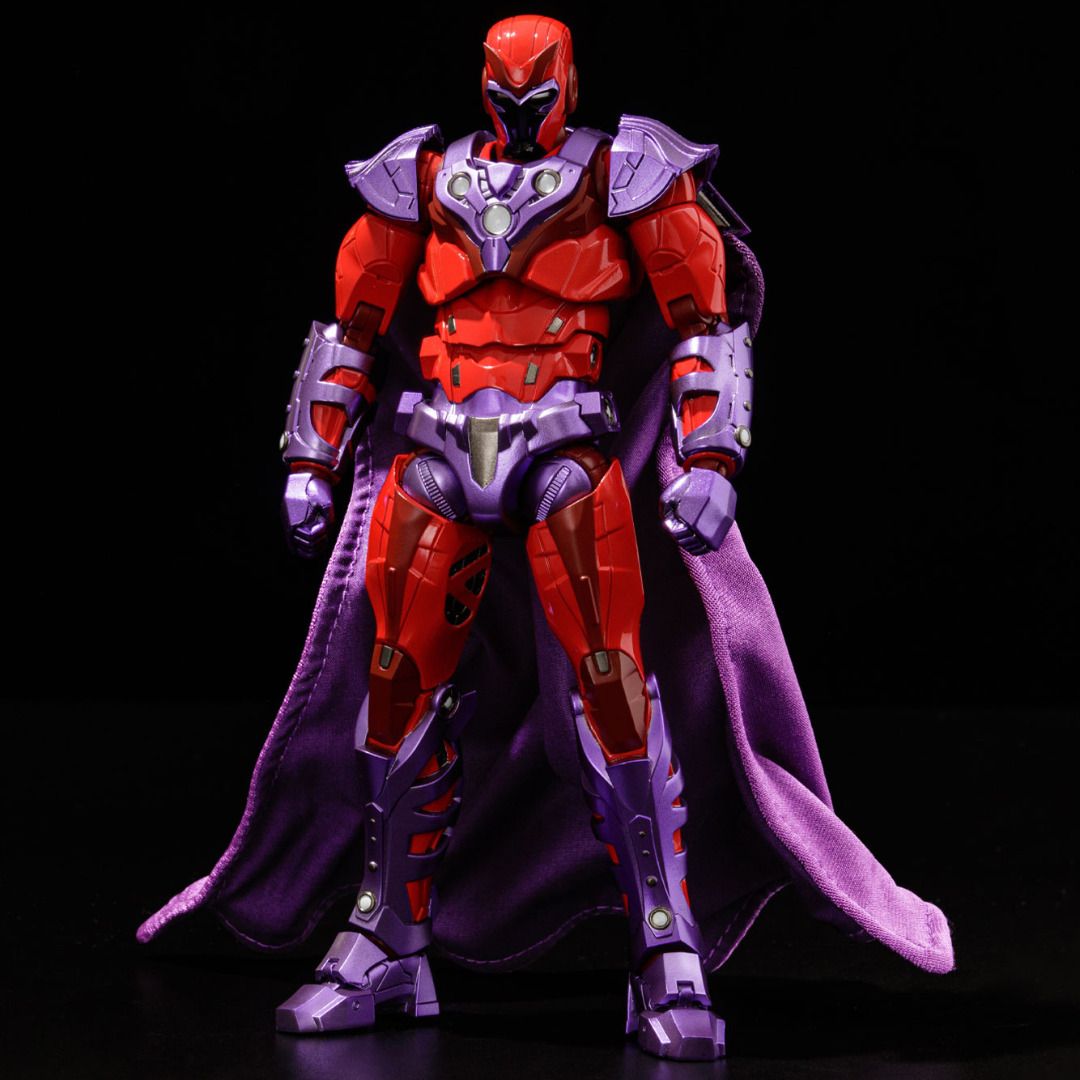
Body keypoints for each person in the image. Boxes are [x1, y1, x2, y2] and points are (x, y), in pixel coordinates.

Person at [138, 14, 953, 1063]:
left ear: (568, 80)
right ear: (482, 82)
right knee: (395, 687)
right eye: (504, 88)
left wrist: (711, 459)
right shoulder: (418, 178)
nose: (521, 108)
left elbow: (704, 324)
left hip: (568, 451)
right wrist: (313, 455)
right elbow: (352, 325)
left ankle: (666, 950)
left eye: (539, 88)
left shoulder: (630, 172)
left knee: (615, 688)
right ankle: (386, 939)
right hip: (437, 451)